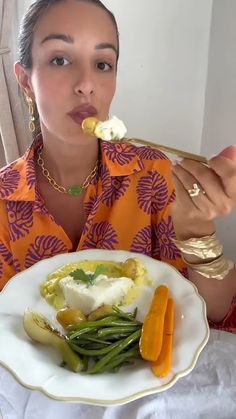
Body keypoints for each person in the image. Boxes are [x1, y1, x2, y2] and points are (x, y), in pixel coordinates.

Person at [0, 0, 235, 332]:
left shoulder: (153, 174)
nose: (86, 84)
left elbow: (213, 312)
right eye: (60, 59)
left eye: (102, 63)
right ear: (26, 81)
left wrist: (199, 233)